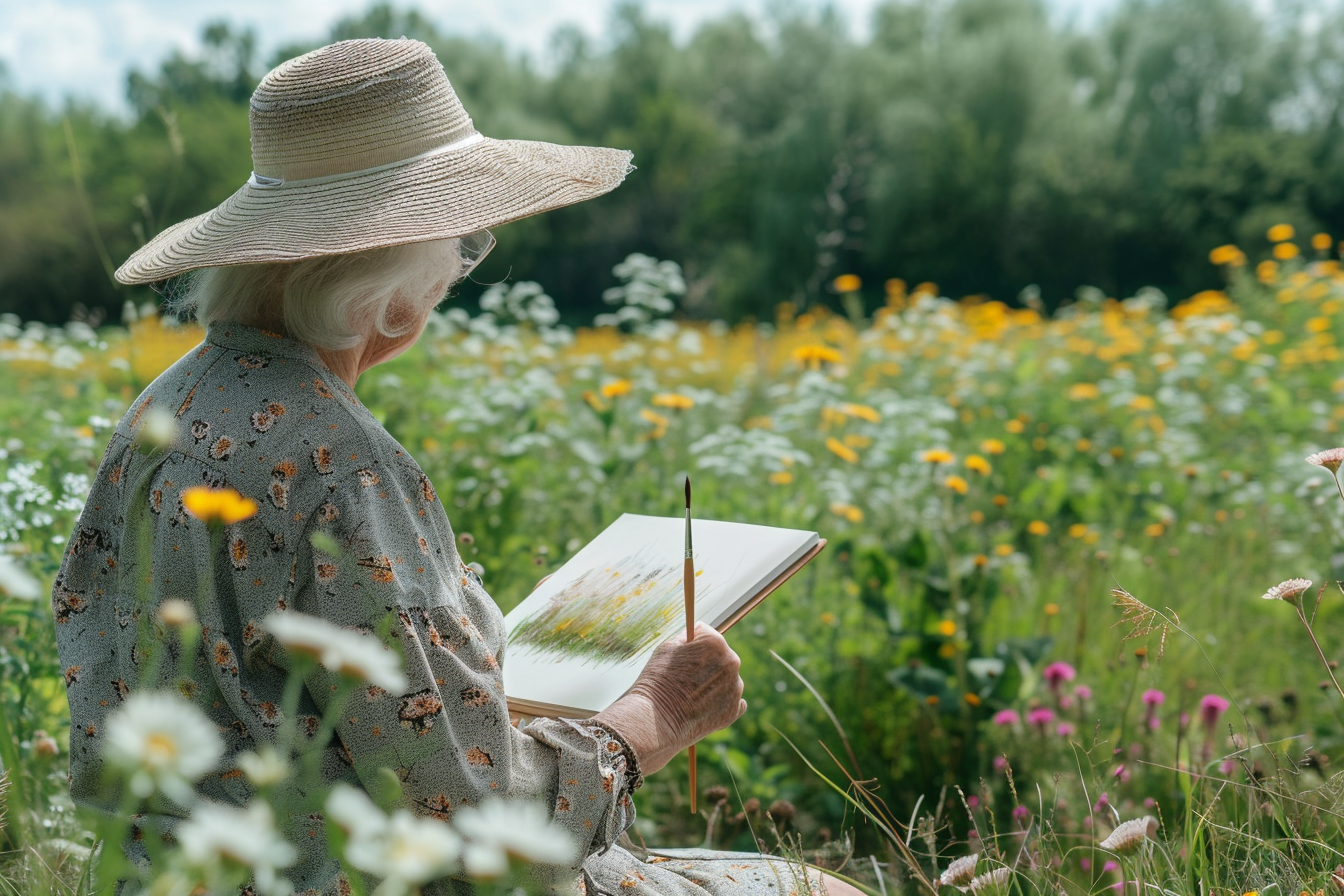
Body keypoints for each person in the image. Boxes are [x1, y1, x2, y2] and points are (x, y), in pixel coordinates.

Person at [53, 38, 861, 896]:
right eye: (461, 245)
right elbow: (474, 827)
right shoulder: (344, 465)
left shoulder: (163, 407)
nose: (458, 270)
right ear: (395, 282)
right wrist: (648, 721)